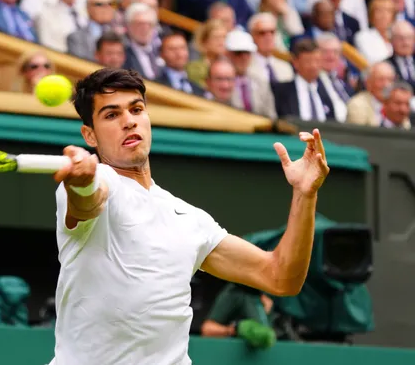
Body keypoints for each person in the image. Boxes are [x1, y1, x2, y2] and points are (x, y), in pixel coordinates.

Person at [49, 68, 330, 364]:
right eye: (111, 115)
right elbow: (88, 200)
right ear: (89, 135)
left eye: (136, 109)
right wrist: (81, 180)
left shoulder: (189, 219)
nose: (129, 121)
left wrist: (305, 193)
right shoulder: (101, 180)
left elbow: (281, 277)